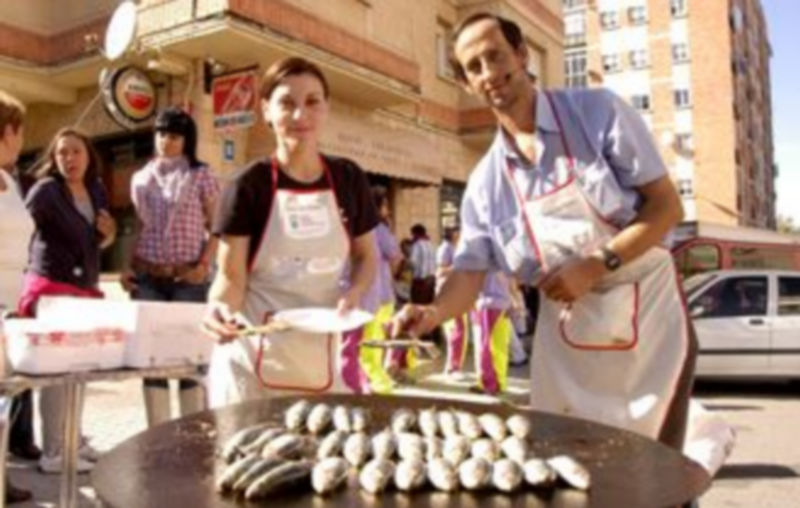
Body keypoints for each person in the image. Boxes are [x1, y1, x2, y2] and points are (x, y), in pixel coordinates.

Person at [392, 13, 696, 450]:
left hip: (648, 316)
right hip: (567, 331)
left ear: (521, 55)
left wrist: (596, 264)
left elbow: (667, 207)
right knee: (567, 459)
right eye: (474, 67)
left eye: (495, 56)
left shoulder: (598, 113)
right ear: (465, 83)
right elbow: (469, 273)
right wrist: (433, 313)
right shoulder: (485, 184)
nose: (489, 72)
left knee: (652, 468)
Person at [202, 57, 378, 404]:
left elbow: (366, 256)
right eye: (286, 103)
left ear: (326, 108)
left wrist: (356, 290)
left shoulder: (349, 179)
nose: (300, 115)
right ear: (266, 110)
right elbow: (231, 277)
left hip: (319, 358)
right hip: (250, 363)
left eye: (312, 101)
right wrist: (218, 308)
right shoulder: (247, 185)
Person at [20, 127, 116, 473]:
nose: (69, 158)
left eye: (76, 151)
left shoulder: (96, 189)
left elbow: (97, 241)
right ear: (54, 158)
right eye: (62, 152)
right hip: (52, 289)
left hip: (85, 289)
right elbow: (20, 232)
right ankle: (54, 451)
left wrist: (109, 235)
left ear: (89, 156)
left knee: (80, 369)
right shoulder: (46, 191)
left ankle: (73, 439)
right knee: (57, 371)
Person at [121, 107, 219, 427]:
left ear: (187, 140)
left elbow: (217, 226)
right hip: (148, 277)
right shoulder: (141, 177)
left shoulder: (201, 174)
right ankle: (158, 435)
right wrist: (126, 266)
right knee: (151, 359)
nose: (166, 141)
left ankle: (192, 435)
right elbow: (139, 227)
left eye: (174, 135)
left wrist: (204, 264)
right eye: (161, 134)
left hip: (188, 279)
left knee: (189, 358)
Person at [0, 90, 35, 503]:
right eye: (20, 131)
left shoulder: (10, 181)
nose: (22, 140)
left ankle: (0, 478)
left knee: (3, 395)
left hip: (12, 298)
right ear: (8, 131)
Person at [341, 187, 403, 394]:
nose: (388, 210)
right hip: (371, 297)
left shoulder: (366, 227)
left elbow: (393, 256)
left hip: (364, 298)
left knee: (359, 349)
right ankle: (372, 386)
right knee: (365, 348)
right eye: (385, 205)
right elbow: (395, 256)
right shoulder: (377, 228)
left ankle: (372, 387)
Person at [437, 227, 471, 377]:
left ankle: (454, 365)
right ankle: (453, 368)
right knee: (456, 330)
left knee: (459, 331)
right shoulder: (446, 248)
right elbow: (440, 271)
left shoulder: (457, 247)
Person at [408, 223, 436, 305]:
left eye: (412, 234)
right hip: (431, 279)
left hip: (420, 281)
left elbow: (412, 262)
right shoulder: (430, 244)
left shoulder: (417, 244)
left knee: (418, 305)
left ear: (415, 233)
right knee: (428, 304)